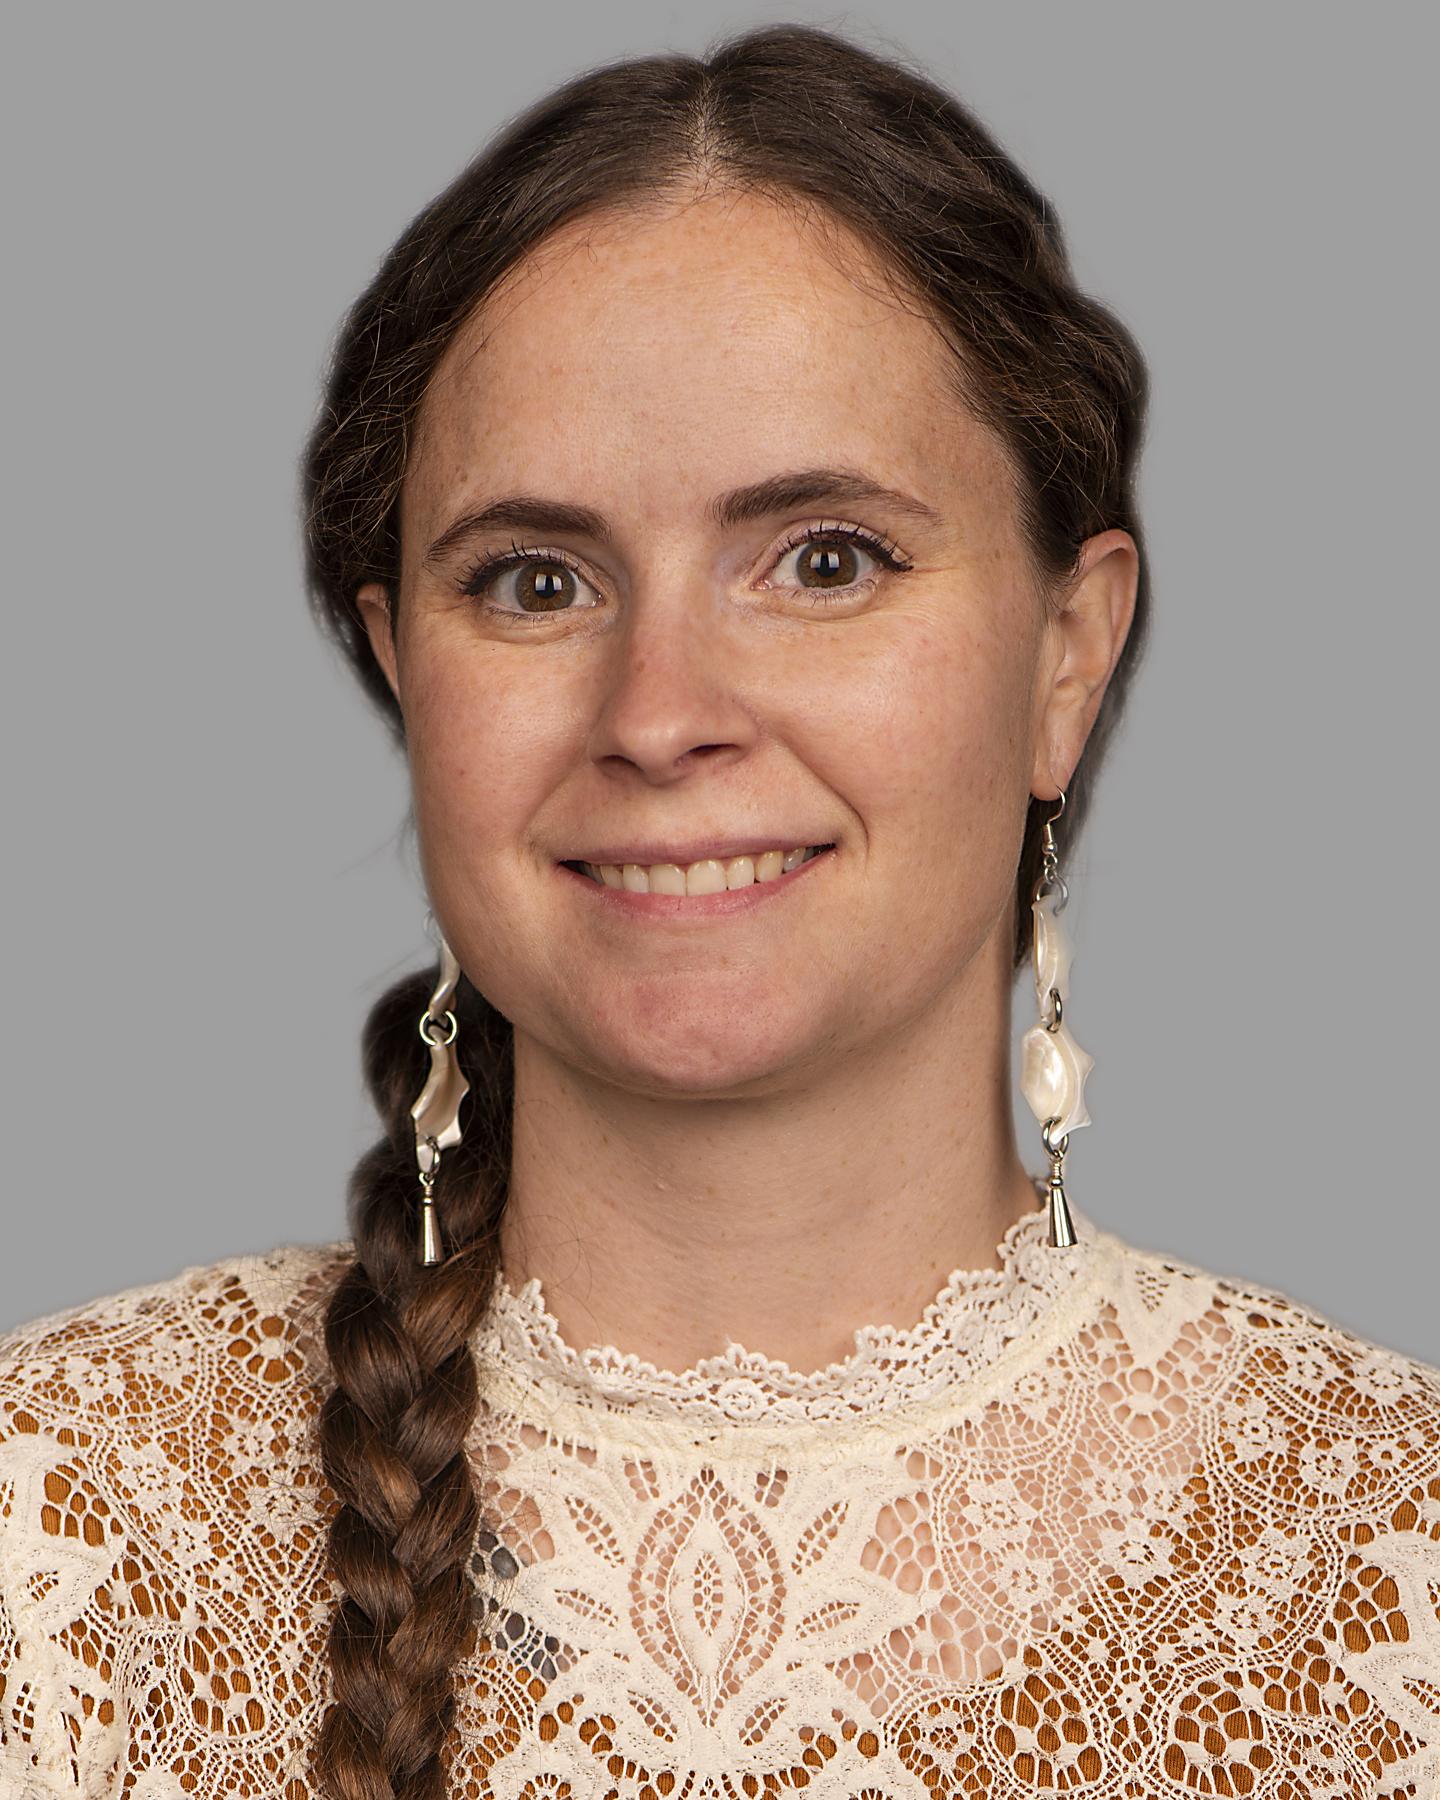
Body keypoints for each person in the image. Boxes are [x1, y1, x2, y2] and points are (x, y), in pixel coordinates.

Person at [2, 22, 1436, 1800]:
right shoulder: (54, 1534)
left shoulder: (1396, 1564)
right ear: (401, 669)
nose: (659, 708)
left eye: (825, 560)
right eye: (535, 581)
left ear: (1068, 653)